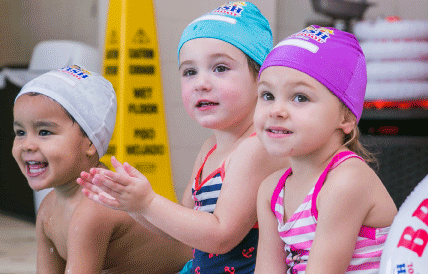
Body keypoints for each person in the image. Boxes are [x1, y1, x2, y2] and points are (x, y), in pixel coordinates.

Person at [77, 2, 287, 273]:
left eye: (220, 68)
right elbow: (181, 229)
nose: (201, 82)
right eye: (190, 71)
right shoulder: (210, 148)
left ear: (262, 78)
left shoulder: (258, 147)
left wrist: (148, 202)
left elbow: (221, 236)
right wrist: (133, 205)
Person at [12, 64, 190, 273]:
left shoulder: (96, 206)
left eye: (44, 132)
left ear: (89, 142)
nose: (27, 145)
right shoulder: (48, 210)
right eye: (20, 132)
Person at [252, 26, 398, 274]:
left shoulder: (347, 180)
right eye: (267, 95)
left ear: (347, 118)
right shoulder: (271, 191)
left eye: (300, 98)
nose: (276, 110)